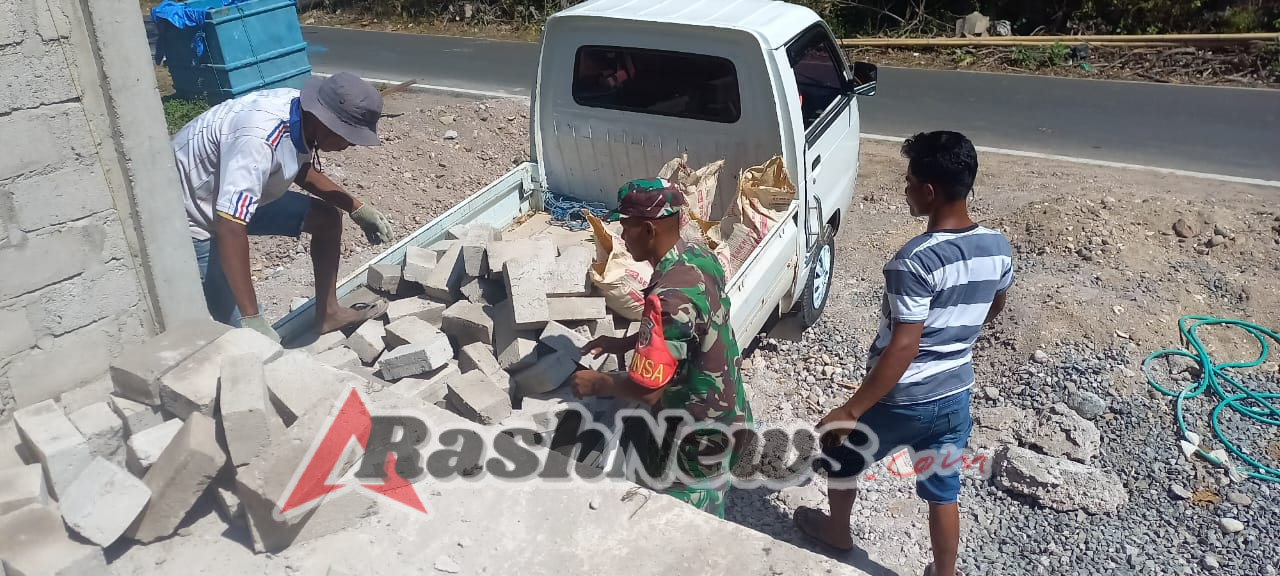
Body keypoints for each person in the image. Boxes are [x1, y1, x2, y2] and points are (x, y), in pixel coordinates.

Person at [796, 131, 1013, 576]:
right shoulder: (997, 246)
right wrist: (954, 337)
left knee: (841, 456)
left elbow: (905, 344)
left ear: (929, 192)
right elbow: (995, 306)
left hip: (904, 399)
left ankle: (838, 533)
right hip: (956, 394)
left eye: (910, 180)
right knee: (943, 488)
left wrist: (851, 409)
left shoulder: (912, 262)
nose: (906, 188)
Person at [568, 178, 753, 519]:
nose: (622, 237)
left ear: (650, 230)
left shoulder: (667, 299)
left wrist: (598, 383)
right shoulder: (697, 257)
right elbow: (690, 329)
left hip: (697, 440)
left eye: (627, 228)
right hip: (731, 407)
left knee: (690, 530)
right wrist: (626, 342)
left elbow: (649, 392)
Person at [174, 72, 395, 342]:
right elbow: (230, 227)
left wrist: (355, 207)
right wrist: (252, 318)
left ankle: (329, 313)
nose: (349, 144)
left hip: (234, 194)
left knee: (326, 218)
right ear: (326, 123)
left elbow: (298, 167)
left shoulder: (299, 114)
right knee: (250, 340)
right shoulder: (258, 140)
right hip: (196, 214)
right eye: (348, 136)